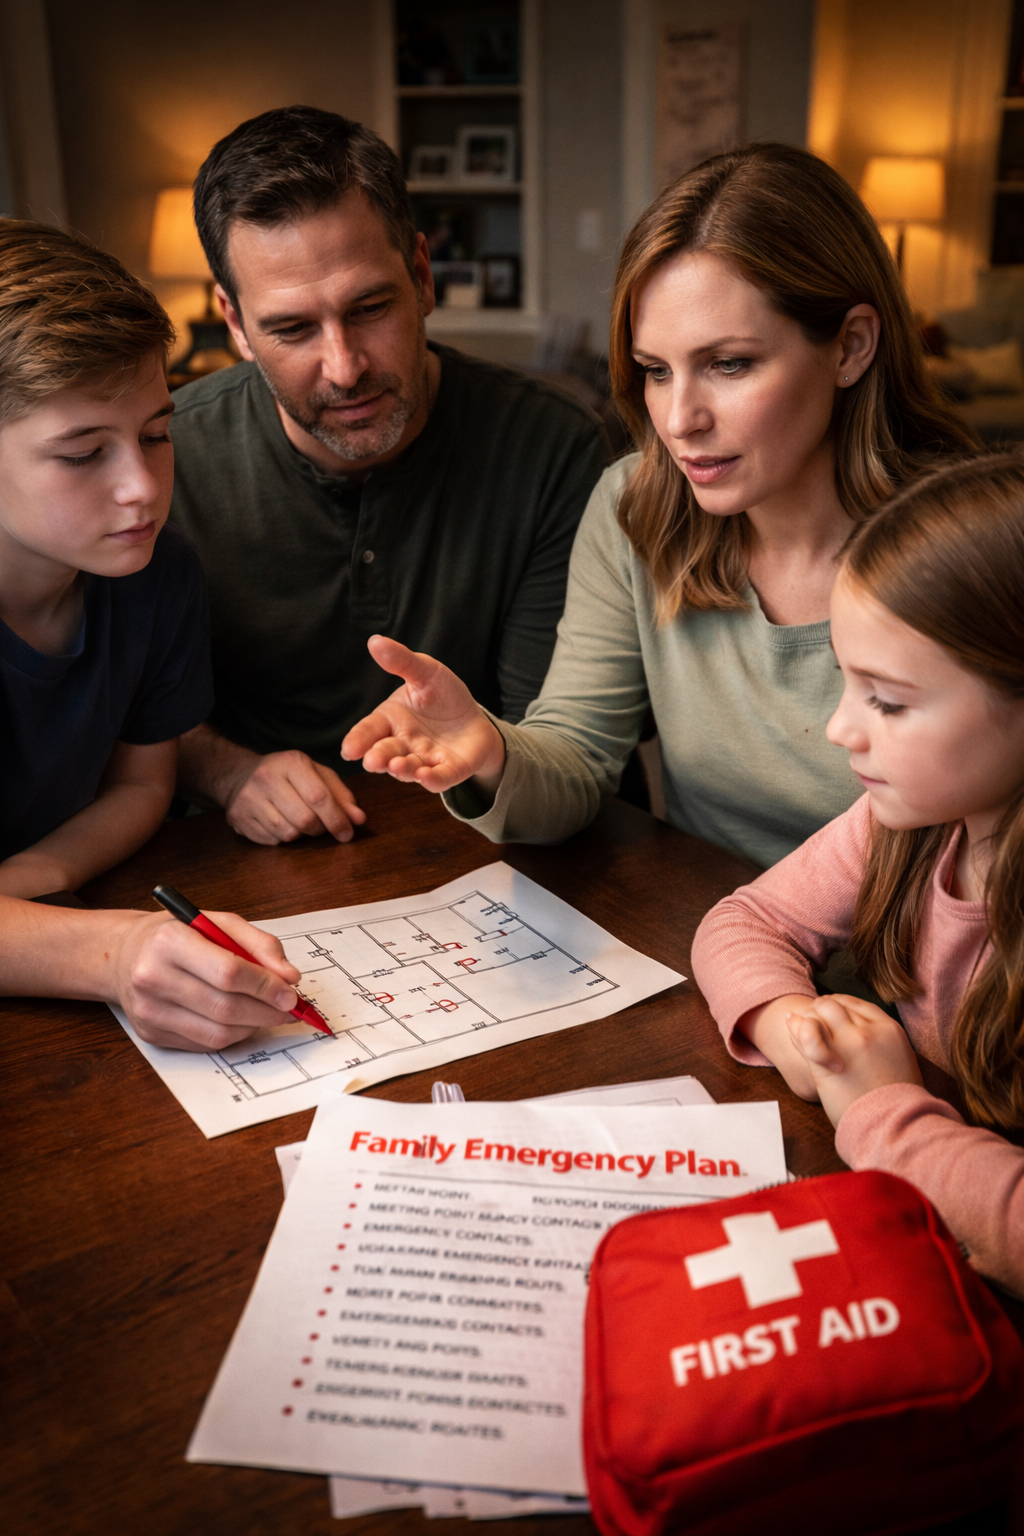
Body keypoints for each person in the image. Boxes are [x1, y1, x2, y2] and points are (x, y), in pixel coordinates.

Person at [341, 144, 975, 871]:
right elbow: (576, 760)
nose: (679, 420)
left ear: (852, 346)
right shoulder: (635, 506)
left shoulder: (975, 543)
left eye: (729, 364)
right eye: (654, 371)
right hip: (725, 951)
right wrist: (488, 750)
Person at [169, 105, 606, 848]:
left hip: (493, 854)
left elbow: (564, 745)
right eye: (292, 328)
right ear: (235, 325)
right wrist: (227, 771)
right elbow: (115, 708)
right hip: (246, 863)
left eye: (369, 307)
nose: (345, 368)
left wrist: (483, 747)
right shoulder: (164, 456)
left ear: (423, 276)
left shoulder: (552, 447)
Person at [690, 453, 1024, 1296]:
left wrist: (882, 1112)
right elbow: (744, 922)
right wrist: (791, 1026)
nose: (842, 728)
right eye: (847, 681)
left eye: (890, 700)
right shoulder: (901, 827)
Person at [0, 221, 307, 1051]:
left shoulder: (155, 574)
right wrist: (112, 950)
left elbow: (142, 786)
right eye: (80, 454)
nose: (141, 486)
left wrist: (34, 881)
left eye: (156, 435)